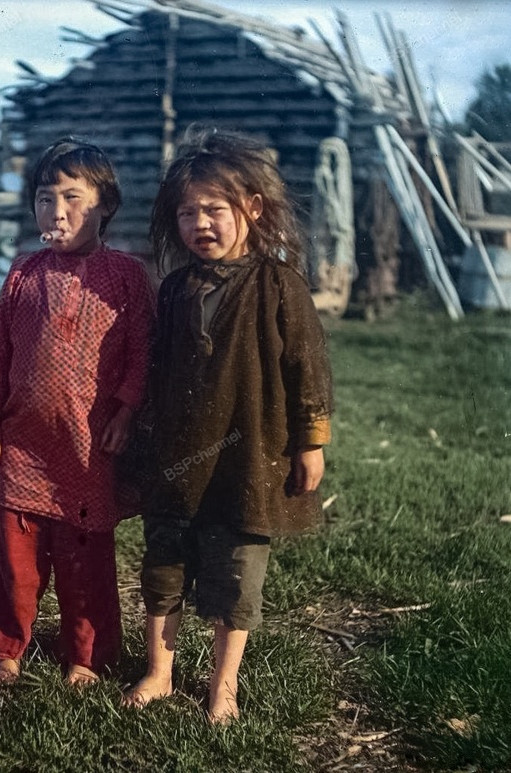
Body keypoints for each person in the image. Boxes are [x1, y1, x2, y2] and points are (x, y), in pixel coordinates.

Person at [122, 127, 333, 723]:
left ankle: (223, 686)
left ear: (253, 209)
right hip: (179, 456)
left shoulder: (278, 286)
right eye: (187, 212)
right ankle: (160, 671)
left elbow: (307, 368)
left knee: (236, 575)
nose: (201, 223)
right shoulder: (173, 290)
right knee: (164, 564)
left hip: (247, 456)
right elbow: (157, 368)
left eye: (215, 209)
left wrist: (310, 440)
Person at [0, 138, 154, 687]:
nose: (58, 210)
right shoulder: (24, 273)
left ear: (106, 206)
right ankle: (8, 648)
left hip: (88, 448)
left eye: (73, 197)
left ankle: (85, 657)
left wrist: (126, 412)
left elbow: (142, 351)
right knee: (14, 562)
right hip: (23, 444)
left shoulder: (124, 276)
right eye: (46, 198)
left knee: (85, 564)